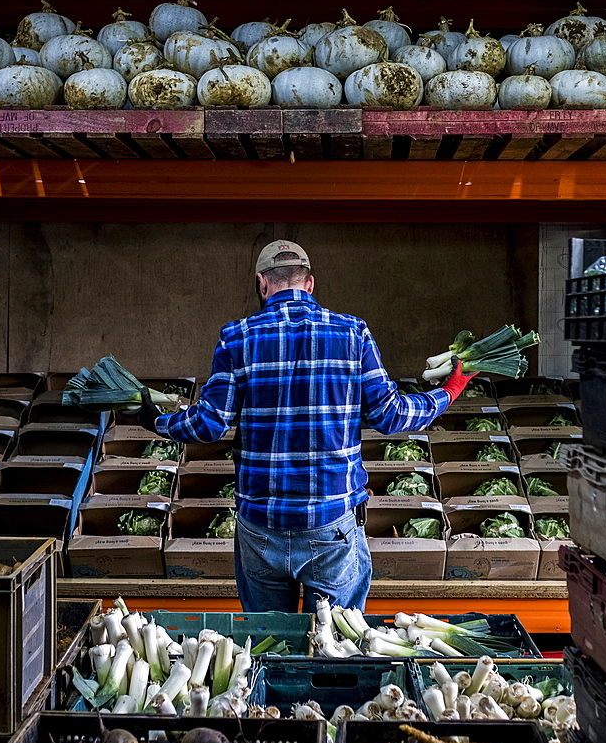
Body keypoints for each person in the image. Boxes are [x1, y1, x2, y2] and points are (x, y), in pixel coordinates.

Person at [134, 239, 476, 612]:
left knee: (269, 641)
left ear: (262, 284)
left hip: (260, 526)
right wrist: (450, 390)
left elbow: (210, 424)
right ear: (309, 283)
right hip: (332, 525)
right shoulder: (353, 333)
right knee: (336, 646)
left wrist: (157, 420)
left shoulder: (237, 336)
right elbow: (389, 415)